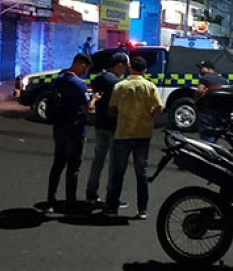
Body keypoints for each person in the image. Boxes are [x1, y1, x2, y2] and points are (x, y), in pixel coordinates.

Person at [105, 55, 164, 219]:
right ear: (145, 70)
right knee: (142, 172)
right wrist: (150, 114)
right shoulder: (150, 86)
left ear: (130, 68)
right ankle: (142, 210)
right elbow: (159, 109)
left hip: (123, 132)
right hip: (143, 133)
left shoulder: (120, 86)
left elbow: (111, 109)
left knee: (118, 172)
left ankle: (111, 208)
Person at [47, 54, 98, 212]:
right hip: (75, 129)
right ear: (81, 65)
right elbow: (87, 108)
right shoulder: (79, 84)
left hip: (59, 127)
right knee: (74, 167)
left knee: (58, 164)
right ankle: (70, 201)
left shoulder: (59, 78)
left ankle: (51, 198)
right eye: (85, 69)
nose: (85, 72)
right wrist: (95, 99)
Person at [85, 53, 130, 206]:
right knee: (114, 163)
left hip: (100, 123)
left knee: (98, 159)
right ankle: (112, 197)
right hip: (113, 125)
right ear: (119, 65)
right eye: (124, 67)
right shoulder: (117, 83)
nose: (125, 70)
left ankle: (91, 192)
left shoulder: (98, 78)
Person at [195, 60, 231, 142]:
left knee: (206, 134)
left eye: (201, 68)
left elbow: (199, 91)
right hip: (220, 112)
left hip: (207, 110)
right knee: (214, 134)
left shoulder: (204, 78)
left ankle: (207, 151)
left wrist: (196, 101)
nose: (200, 70)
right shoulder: (223, 79)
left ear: (208, 68)